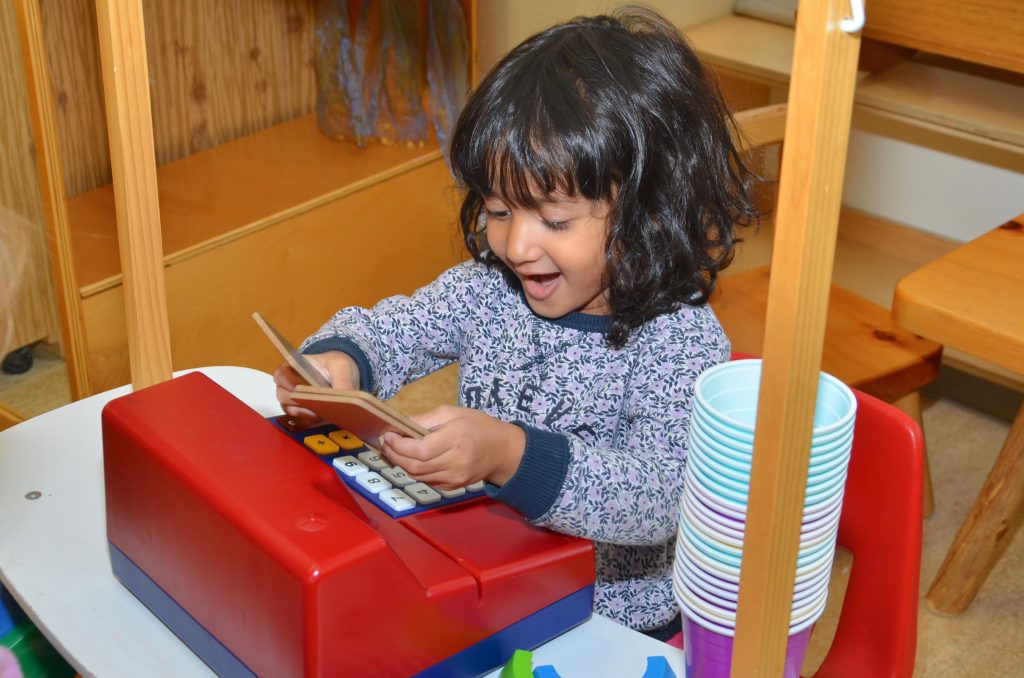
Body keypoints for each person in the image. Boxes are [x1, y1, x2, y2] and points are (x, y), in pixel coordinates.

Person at [275, 5, 761, 640]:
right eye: (500, 210)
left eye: (554, 221)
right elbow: (400, 326)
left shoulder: (678, 339)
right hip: (487, 584)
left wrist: (509, 454)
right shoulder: (491, 289)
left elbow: (659, 499)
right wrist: (339, 364)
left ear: (649, 212)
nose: (519, 246)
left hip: (611, 621)